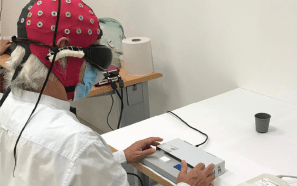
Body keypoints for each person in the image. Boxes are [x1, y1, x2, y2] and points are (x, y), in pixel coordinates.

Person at [0, 0, 216, 186]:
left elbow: (55, 172)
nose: (95, 72)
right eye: (93, 58)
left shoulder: (6, 106)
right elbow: (72, 160)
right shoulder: (79, 144)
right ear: (64, 54)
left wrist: (115, 157)